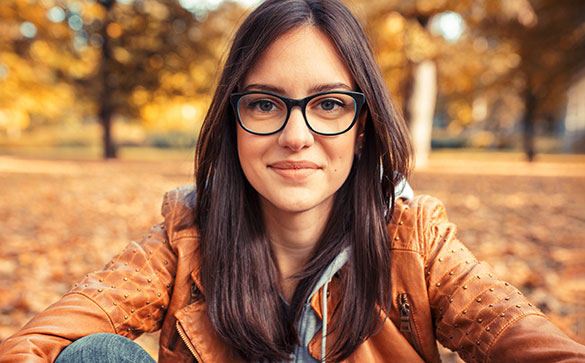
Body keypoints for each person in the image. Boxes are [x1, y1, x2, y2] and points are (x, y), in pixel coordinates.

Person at [1, 0, 584, 362]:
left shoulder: (416, 241)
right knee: (100, 357)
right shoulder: (183, 243)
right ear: (233, 121)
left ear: (364, 126)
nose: (297, 136)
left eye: (329, 104)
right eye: (264, 105)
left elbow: (536, 346)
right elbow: (32, 344)